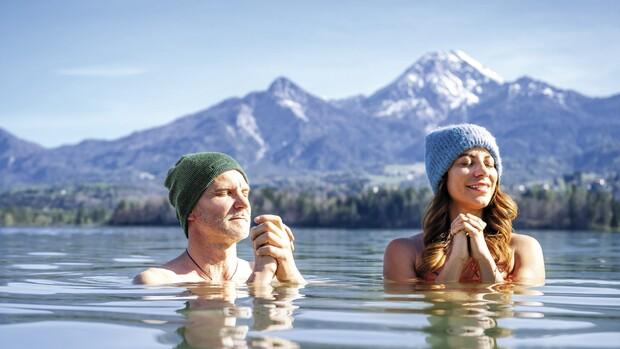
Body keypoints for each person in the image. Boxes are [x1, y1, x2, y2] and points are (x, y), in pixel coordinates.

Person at [383, 124, 545, 284]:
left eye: (489, 164)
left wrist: (483, 257)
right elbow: (435, 306)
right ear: (442, 178)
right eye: (466, 163)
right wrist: (457, 259)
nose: (482, 172)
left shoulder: (524, 249)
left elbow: (505, 307)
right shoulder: (404, 252)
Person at [134, 152, 305, 285]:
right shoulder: (157, 282)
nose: (243, 203)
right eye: (225, 193)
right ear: (190, 210)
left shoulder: (273, 272)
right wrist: (260, 279)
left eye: (245, 193)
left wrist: (289, 272)